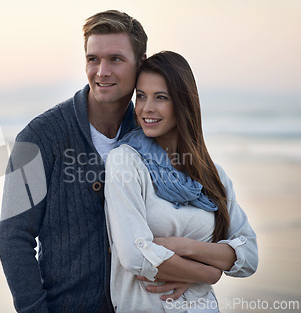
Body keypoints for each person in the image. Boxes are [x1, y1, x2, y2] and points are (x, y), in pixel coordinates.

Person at [0, 10, 152, 313]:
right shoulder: (38, 136)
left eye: (116, 59)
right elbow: (13, 238)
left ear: (141, 64)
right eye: (93, 59)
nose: (101, 71)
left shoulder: (151, 138)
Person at [104, 51, 259, 313]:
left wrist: (184, 247)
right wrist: (209, 273)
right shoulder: (125, 162)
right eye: (140, 96)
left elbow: (249, 257)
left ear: (183, 103)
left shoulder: (213, 175)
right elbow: (134, 255)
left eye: (161, 98)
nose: (146, 108)